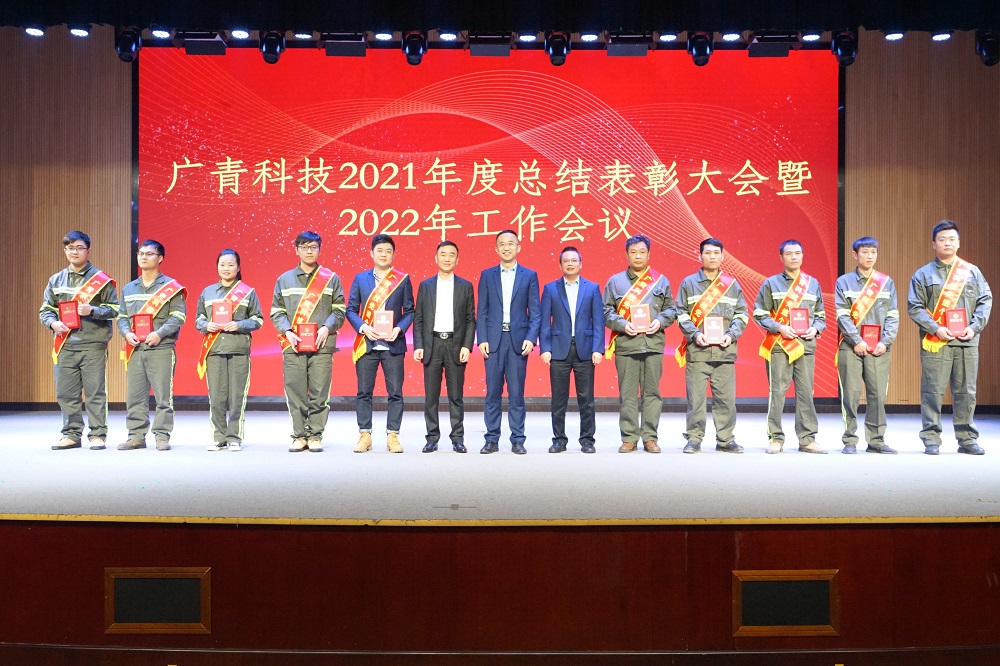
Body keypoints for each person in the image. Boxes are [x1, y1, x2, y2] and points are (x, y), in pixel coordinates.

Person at [907, 220, 992, 455]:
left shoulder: (972, 271)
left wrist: (974, 327)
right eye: (942, 239)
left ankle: (967, 439)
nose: (947, 243)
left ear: (959, 243)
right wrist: (935, 328)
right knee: (932, 391)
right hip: (937, 343)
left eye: (952, 239)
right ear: (934, 244)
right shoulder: (923, 274)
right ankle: (931, 438)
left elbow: (985, 300)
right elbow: (915, 306)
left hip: (966, 341)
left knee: (966, 392)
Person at [39, 231, 119, 450]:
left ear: (88, 250)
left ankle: (97, 434)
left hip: (93, 345)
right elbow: (46, 310)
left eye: (79, 247)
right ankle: (71, 434)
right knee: (66, 393)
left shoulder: (101, 280)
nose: (74, 252)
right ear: (65, 250)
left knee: (95, 393)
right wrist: (53, 323)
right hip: (65, 344)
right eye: (70, 248)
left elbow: (114, 309)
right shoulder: (56, 280)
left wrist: (92, 310)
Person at [270, 231, 346, 453]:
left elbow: (340, 310)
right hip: (293, 345)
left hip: (322, 345)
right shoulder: (284, 279)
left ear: (319, 249)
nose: (309, 251)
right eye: (304, 247)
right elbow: (277, 312)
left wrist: (326, 327)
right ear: (296, 250)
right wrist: (287, 331)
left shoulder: (330, 279)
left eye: (313, 247)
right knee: (295, 392)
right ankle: (299, 435)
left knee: (320, 392)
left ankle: (315, 435)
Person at [674, 238, 749, 454]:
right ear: (700, 256)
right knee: (696, 400)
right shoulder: (688, 283)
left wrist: (731, 335)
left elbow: (742, 314)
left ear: (723, 256)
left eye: (716, 253)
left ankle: (725, 439)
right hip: (698, 351)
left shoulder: (731, 285)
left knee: (726, 400)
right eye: (708, 253)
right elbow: (681, 313)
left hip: (725, 351)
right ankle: (694, 439)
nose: (712, 256)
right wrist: (695, 334)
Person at [603, 234, 676, 453]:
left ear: (648, 254)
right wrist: (623, 324)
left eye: (642, 252)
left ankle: (650, 438)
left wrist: (659, 321)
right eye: (633, 252)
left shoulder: (660, 280)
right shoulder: (615, 281)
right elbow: (606, 311)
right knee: (627, 394)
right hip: (627, 345)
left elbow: (671, 309)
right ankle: (629, 438)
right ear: (627, 254)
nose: (638, 256)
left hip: (653, 344)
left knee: (652, 393)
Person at [753, 239, 827, 454]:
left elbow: (821, 316)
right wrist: (779, 328)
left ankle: (807, 439)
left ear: (802, 256)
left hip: (805, 346)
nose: (794, 257)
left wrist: (816, 328)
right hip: (780, 345)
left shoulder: (812, 284)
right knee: (777, 392)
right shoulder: (771, 283)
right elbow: (759, 313)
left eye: (798, 253)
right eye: (789, 253)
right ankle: (775, 439)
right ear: (781, 257)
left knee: (806, 393)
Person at [346, 234, 414, 453]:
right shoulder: (360, 279)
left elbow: (410, 311)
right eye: (380, 251)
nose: (384, 254)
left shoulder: (402, 279)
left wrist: (399, 329)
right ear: (371, 253)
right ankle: (365, 435)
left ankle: (393, 435)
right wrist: (363, 327)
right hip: (367, 344)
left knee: (395, 392)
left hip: (393, 344)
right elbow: (350, 309)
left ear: (393, 254)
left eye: (388, 251)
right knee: (364, 392)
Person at [116, 239, 187, 451]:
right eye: (141, 253)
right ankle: (136, 436)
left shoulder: (171, 287)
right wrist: (126, 333)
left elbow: (178, 317)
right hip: (135, 349)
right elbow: (122, 317)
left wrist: (159, 333)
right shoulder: (129, 288)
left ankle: (162, 436)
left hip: (161, 348)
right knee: (135, 396)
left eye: (149, 254)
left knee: (163, 396)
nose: (143, 257)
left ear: (160, 258)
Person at [477, 230, 540, 454]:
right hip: (493, 341)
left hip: (518, 342)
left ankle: (518, 439)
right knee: (492, 393)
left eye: (510, 244)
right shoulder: (487, 275)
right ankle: (491, 439)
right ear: (496, 249)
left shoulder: (529, 275)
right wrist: (482, 339)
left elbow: (535, 312)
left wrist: (531, 337)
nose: (506, 247)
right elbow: (481, 311)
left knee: (516, 393)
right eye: (502, 244)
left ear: (518, 247)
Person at [194, 249, 264, 452]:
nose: (226, 268)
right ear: (217, 266)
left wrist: (239, 324)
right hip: (214, 350)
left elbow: (258, 319)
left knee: (236, 396)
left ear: (238, 267)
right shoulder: (207, 292)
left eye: (231, 265)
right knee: (216, 397)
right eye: (222, 264)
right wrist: (206, 325)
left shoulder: (248, 292)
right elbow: (198, 319)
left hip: (238, 349)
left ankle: (234, 437)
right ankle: (218, 437)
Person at [835, 237, 899, 454]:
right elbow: (842, 315)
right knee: (851, 395)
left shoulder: (886, 282)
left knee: (878, 395)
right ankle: (850, 440)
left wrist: (886, 342)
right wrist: (857, 340)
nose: (870, 256)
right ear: (855, 255)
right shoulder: (843, 282)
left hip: (879, 348)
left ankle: (876, 441)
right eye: (865, 252)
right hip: (851, 347)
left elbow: (893, 315)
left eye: (873, 252)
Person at [539, 246, 604, 454]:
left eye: (574, 260)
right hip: (558, 350)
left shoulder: (592, 288)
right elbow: (544, 321)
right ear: (560, 265)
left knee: (586, 399)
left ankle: (587, 440)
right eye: (566, 260)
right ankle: (559, 440)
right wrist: (545, 347)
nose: (570, 263)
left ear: (580, 264)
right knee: (559, 399)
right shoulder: (550, 289)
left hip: (585, 350)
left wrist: (598, 349)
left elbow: (598, 321)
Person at [413, 240, 476, 453]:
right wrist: (419, 345)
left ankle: (457, 438)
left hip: (455, 345)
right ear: (436, 258)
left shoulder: (465, 286)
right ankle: (432, 438)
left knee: (456, 396)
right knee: (431, 396)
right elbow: (419, 318)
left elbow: (470, 319)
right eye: (443, 254)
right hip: (432, 344)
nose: (447, 258)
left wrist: (467, 345)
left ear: (457, 259)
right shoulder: (426, 285)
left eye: (451, 255)